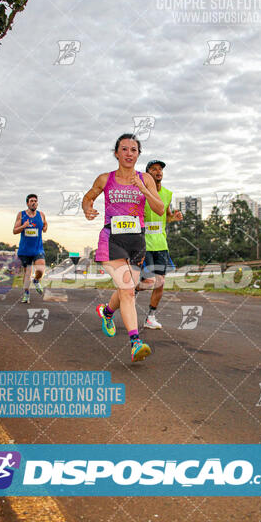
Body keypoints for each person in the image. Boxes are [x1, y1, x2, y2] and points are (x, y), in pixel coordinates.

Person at [82, 134, 164, 362]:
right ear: (116, 153)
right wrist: (87, 209)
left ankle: (107, 312)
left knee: (130, 288)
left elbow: (158, 209)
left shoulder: (145, 179)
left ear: (138, 154)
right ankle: (135, 343)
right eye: (124, 149)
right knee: (127, 290)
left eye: (134, 150)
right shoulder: (105, 178)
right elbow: (88, 198)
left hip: (136, 241)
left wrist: (144, 189)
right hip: (112, 239)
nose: (129, 153)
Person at [136, 160, 183, 328]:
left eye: (160, 169)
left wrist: (174, 218)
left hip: (161, 244)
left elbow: (167, 216)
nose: (158, 172)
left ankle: (150, 317)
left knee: (160, 282)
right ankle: (131, 290)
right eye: (154, 169)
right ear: (147, 173)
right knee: (148, 281)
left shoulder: (168, 194)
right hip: (144, 243)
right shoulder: (141, 192)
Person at [13, 194, 47, 304]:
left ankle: (36, 280)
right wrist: (24, 226)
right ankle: (26, 294)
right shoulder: (21, 215)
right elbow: (14, 231)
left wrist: (45, 227)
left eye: (35, 201)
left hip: (38, 249)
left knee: (41, 268)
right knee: (27, 273)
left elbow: (45, 225)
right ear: (27, 203)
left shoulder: (41, 215)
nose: (34, 203)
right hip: (25, 250)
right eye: (31, 201)